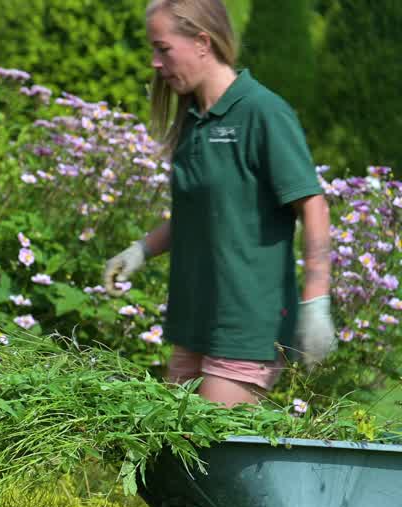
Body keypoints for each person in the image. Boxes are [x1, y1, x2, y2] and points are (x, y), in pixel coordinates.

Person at [104, 0, 336, 409]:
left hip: (246, 324)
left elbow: (313, 205)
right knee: (170, 451)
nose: (155, 63)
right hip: (194, 320)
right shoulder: (193, 119)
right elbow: (201, 213)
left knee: (203, 454)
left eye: (163, 48)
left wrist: (315, 302)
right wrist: (142, 249)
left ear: (201, 42)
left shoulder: (262, 112)